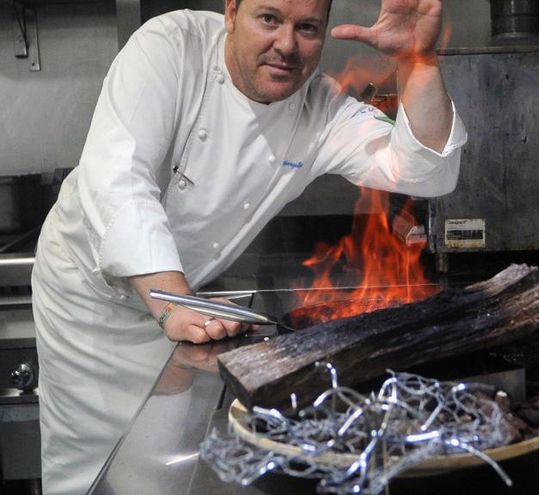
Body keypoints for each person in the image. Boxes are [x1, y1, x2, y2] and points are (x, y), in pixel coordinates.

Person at [30, 0, 466, 493]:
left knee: (161, 473)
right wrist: (173, 301)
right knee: (91, 472)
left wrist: (419, 63)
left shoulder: (319, 107)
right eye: (269, 20)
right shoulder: (170, 47)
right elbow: (118, 181)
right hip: (87, 304)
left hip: (182, 305)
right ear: (232, 12)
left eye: (307, 28)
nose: (286, 45)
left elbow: (427, 171)